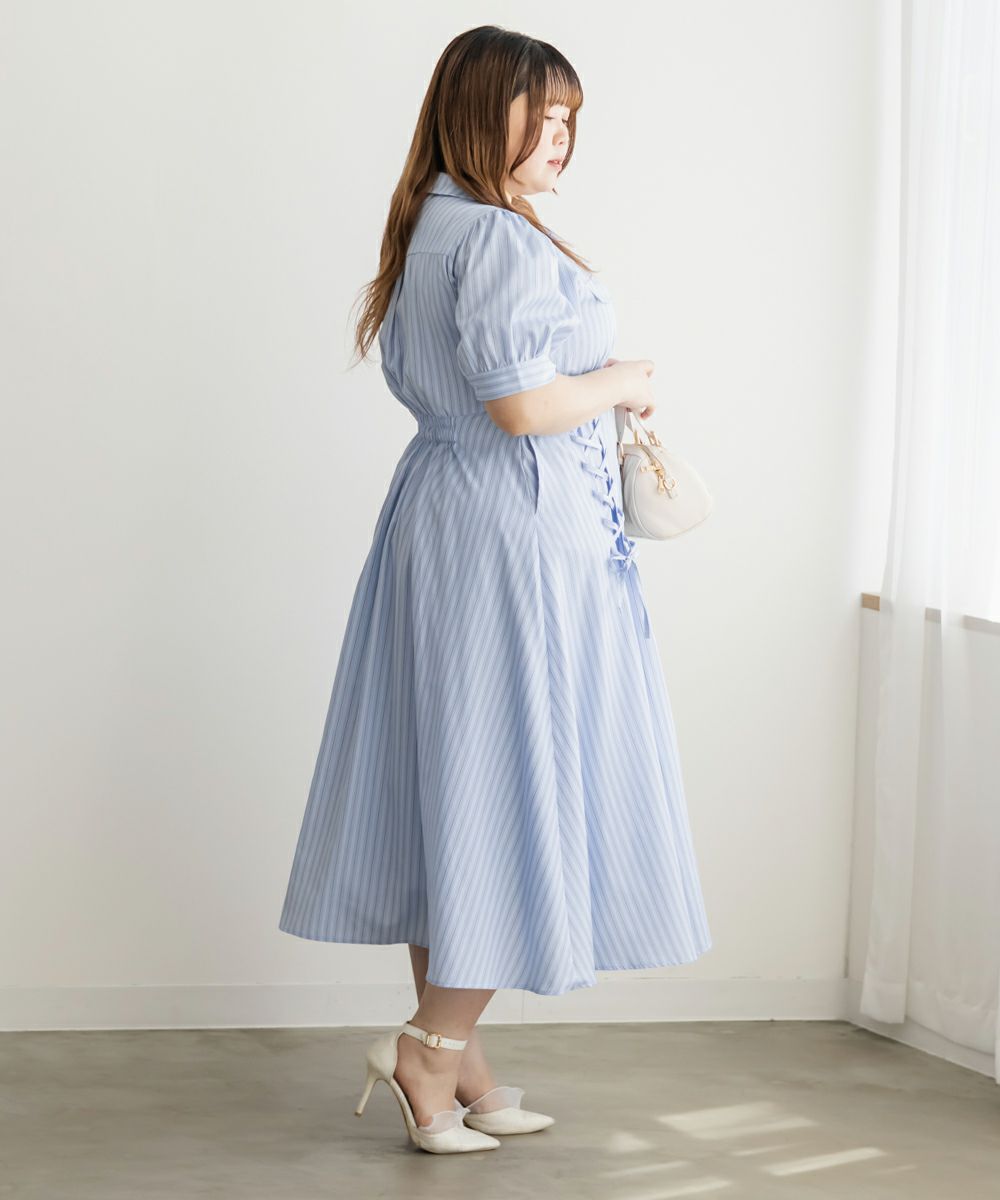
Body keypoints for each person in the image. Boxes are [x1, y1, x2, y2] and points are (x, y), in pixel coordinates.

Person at [278, 25, 713, 1153]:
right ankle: (428, 1050)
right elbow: (520, 406)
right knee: (505, 780)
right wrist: (621, 378)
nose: (560, 137)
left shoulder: (432, 222)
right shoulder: (501, 239)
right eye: (540, 114)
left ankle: (460, 1063)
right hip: (517, 533)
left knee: (454, 780)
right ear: (482, 114)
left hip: (443, 517)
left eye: (569, 119)